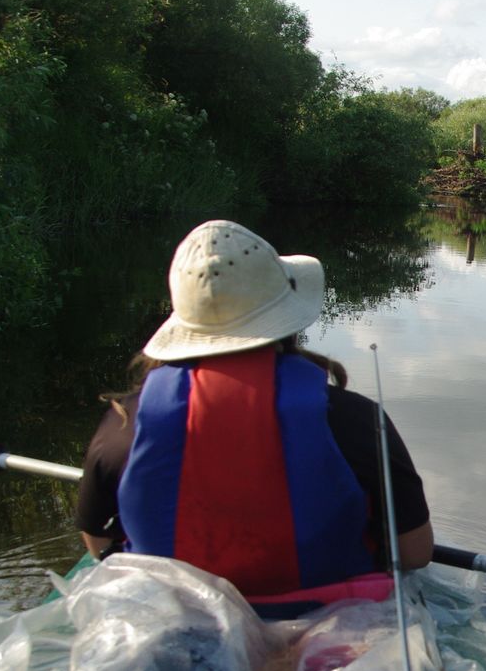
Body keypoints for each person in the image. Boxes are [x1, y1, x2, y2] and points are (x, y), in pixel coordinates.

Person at [75, 219, 434, 597]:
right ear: (286, 323)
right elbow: (415, 552)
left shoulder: (124, 424)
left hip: (177, 628)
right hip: (328, 632)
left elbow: (98, 544)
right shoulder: (355, 420)